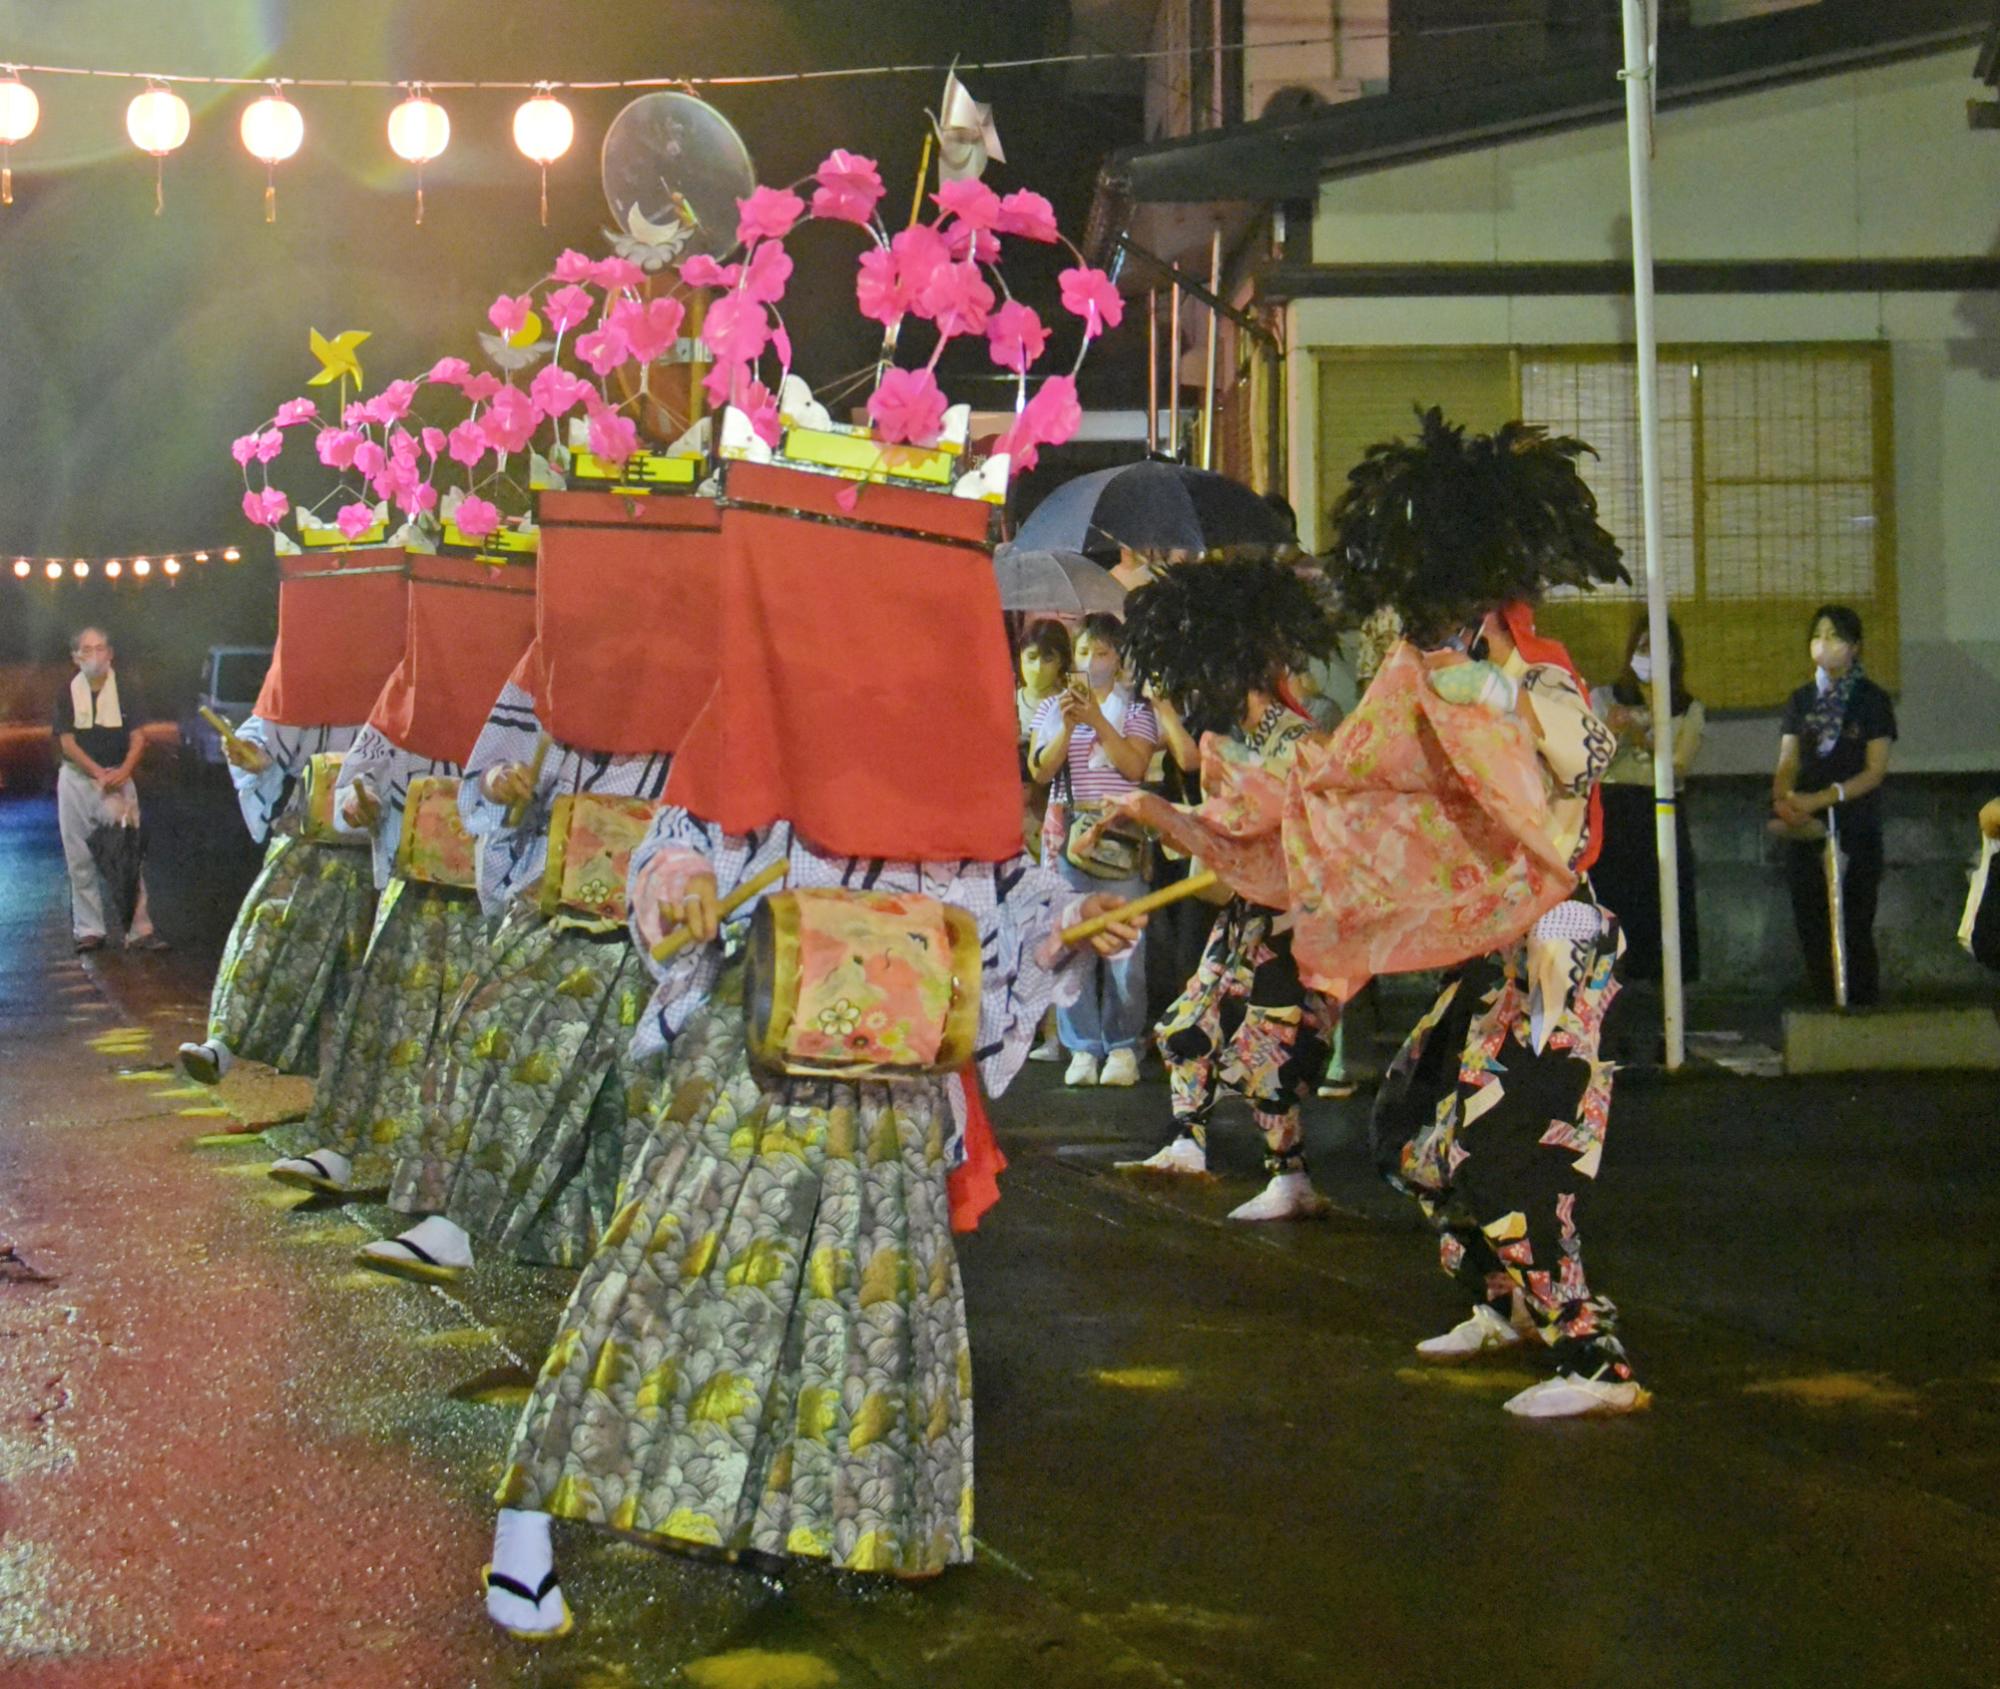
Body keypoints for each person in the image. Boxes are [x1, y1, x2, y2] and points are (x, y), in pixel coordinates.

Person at [1329, 410, 1643, 1418]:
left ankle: (1591, 1360)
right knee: (1410, 1129)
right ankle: (1497, 1300)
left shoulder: (1533, 672)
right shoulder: (1436, 680)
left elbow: (1584, 763)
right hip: (1499, 945)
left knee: (1510, 1146)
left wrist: (1498, 695)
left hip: (1557, 934)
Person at [347, 654, 675, 1276]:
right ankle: (456, 1219)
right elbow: (486, 772)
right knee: (479, 1030)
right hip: (552, 900)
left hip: (650, 930)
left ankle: (570, 1241)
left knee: (607, 1084)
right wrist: (501, 782)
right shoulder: (556, 657)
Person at [1108, 557, 1343, 1221]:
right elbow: (1227, 821)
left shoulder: (1294, 739)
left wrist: (1160, 812)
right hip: (1248, 913)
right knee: (1187, 1024)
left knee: (1267, 1051)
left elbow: (1248, 820)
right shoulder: (1248, 737)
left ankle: (1290, 1175)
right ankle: (1188, 1141)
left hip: (1287, 922)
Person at [1027, 614, 1158, 1086]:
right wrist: (1067, 724)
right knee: (1072, 943)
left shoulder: (1138, 709)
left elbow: (1135, 766)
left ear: (1119, 658)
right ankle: (1081, 1046)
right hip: (1070, 838)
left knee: (1126, 948)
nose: (1090, 661)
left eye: (1101, 652)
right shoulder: (1050, 709)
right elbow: (1040, 771)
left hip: (1119, 834)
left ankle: (1122, 1045)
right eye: (1083, 652)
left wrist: (1099, 721)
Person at [1771, 605, 1897, 1007]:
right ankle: (1823, 1009)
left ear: (1855, 647)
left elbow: (1874, 770)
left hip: (1855, 826)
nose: (1823, 644)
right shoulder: (1801, 698)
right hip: (1805, 828)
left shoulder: (1872, 700)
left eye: (1834, 636)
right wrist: (1784, 798)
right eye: (1818, 635)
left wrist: (1825, 798)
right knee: (1812, 924)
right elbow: (1787, 760)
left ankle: (1861, 1012)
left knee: (1854, 923)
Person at [1589, 614, 1704, 988]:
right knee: (1610, 913)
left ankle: (1665, 1015)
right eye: (1642, 648)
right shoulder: (1605, 699)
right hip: (1614, 809)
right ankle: (1604, 1011)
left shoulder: (1687, 706)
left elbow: (1679, 764)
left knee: (1664, 910)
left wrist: (1646, 734)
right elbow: (1586, 761)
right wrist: (1613, 730)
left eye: (1659, 649)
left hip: (1661, 811)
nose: (1649, 657)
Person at [51, 627, 163, 953]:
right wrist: (96, 772)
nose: (95, 656)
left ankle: (139, 929)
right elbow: (67, 741)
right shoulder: (66, 692)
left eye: (100, 648)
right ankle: (89, 930)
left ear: (110, 653)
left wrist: (123, 771)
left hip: (117, 777)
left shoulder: (125, 688)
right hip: (77, 780)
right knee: (79, 858)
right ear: (76, 657)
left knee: (127, 855)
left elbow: (138, 735)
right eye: (87, 650)